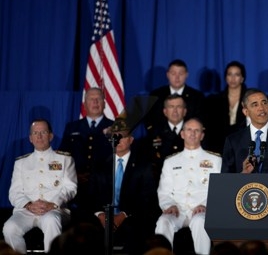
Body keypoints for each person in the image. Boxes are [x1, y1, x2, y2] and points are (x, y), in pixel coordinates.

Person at [2, 119, 77, 254]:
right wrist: (29, 205)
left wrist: (52, 204)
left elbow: (70, 188)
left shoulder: (65, 159)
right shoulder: (21, 162)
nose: (39, 136)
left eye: (43, 132)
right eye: (35, 133)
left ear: (51, 136)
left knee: (51, 220)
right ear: (30, 138)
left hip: (55, 209)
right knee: (9, 228)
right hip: (27, 210)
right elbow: (14, 193)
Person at [87, 117, 159, 254]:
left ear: (131, 140)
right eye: (115, 136)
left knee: (139, 227)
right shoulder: (100, 165)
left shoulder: (142, 165)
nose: (118, 140)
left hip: (132, 217)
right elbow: (90, 196)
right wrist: (100, 214)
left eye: (122, 136)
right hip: (103, 218)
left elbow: (147, 198)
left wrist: (124, 215)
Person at [155, 118, 222, 255]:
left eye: (197, 130)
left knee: (199, 222)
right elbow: (164, 191)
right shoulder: (170, 161)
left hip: (201, 210)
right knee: (163, 221)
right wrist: (169, 205)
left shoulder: (215, 160)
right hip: (178, 209)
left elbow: (219, 191)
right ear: (182, 134)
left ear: (202, 135)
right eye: (189, 130)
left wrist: (205, 205)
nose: (192, 133)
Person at [58, 87, 114, 216]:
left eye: (98, 99)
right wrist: (73, 175)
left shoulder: (116, 126)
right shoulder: (72, 127)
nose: (95, 102)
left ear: (104, 103)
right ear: (84, 104)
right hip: (77, 185)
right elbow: (63, 155)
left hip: (105, 187)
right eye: (91, 99)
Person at [145, 59, 205, 132]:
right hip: (161, 138)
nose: (177, 77)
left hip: (188, 139)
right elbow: (150, 119)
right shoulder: (156, 95)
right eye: (173, 74)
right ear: (167, 74)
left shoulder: (197, 97)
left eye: (181, 74)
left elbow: (199, 121)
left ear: (186, 75)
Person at [139, 94, 187, 182]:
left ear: (184, 111)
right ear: (165, 111)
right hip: (161, 181)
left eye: (179, 107)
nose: (175, 111)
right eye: (171, 107)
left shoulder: (193, 132)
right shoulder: (154, 133)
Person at [204, 61, 248, 154]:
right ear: (225, 77)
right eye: (229, 74)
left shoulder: (251, 99)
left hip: (244, 147)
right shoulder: (214, 100)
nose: (233, 78)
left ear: (242, 78)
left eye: (237, 74)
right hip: (219, 147)